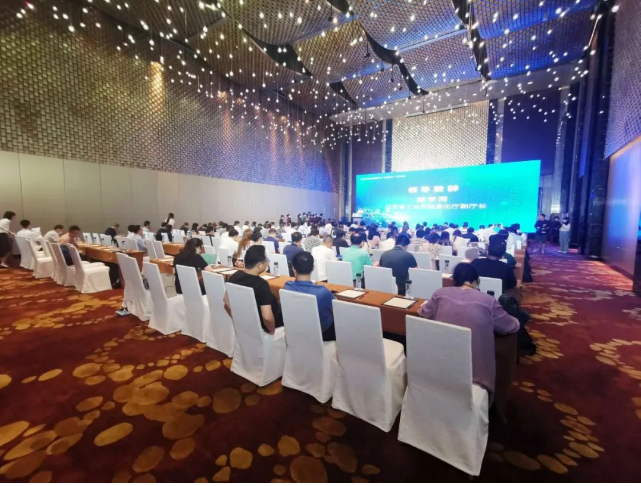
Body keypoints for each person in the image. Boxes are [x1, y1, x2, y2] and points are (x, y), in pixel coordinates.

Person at [418, 263, 519, 401]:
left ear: (454, 279)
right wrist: (516, 319)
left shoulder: (439, 293)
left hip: (439, 363)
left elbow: (424, 313)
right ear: (476, 281)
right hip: (475, 374)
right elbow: (510, 326)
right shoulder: (488, 300)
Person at [225, 245, 283, 334]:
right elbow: (267, 317)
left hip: (245, 323)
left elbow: (225, 300)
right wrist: (272, 331)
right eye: (266, 261)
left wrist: (235, 316)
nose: (267, 264)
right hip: (263, 327)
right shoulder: (261, 284)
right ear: (259, 265)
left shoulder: (235, 276)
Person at [284, 252, 336, 341]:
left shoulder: (287, 286)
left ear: (293, 269)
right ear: (313, 268)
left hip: (298, 329)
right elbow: (334, 309)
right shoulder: (322, 292)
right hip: (323, 333)